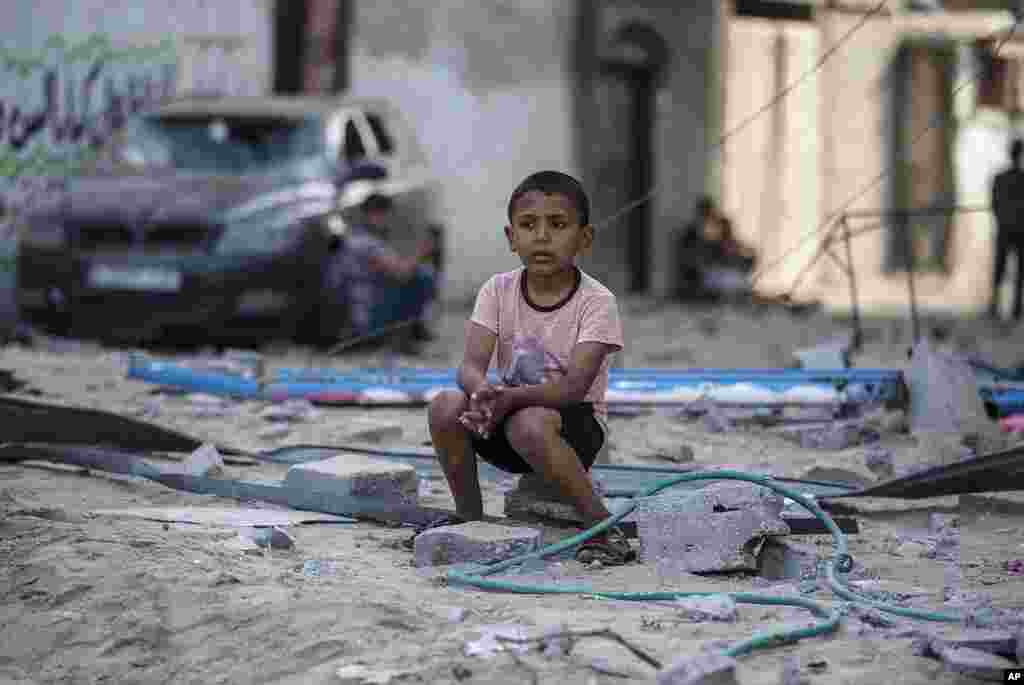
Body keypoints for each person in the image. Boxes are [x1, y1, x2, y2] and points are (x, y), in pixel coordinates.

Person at [406, 170, 635, 566]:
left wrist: (508, 397)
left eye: (558, 224)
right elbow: (470, 366)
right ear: (512, 238)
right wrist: (481, 391)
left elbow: (574, 388)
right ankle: (468, 514)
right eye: (529, 225)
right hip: (508, 415)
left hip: (573, 428)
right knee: (446, 404)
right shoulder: (497, 290)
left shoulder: (597, 302)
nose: (542, 236)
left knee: (528, 422)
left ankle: (601, 526)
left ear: (584, 239)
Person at [331, 187, 438, 350]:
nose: (387, 219)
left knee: (415, 276)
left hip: (356, 310)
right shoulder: (366, 243)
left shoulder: (357, 238)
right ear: (373, 214)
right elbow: (402, 273)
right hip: (366, 315)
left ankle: (409, 331)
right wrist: (424, 251)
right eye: (383, 213)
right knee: (423, 276)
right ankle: (400, 337)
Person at [675, 196, 756, 302]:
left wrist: (741, 254)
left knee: (736, 282)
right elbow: (693, 259)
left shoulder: (719, 235)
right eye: (706, 214)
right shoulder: (693, 234)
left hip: (721, 273)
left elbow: (739, 251)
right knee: (729, 282)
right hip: (708, 275)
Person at [989, 138, 1024, 321]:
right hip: (1016, 230)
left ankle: (998, 306)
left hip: (1007, 229)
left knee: (1002, 270)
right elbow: (994, 204)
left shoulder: (1000, 179)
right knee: (1013, 271)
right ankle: (1013, 308)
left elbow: (994, 204)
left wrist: (1004, 219)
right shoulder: (1010, 179)